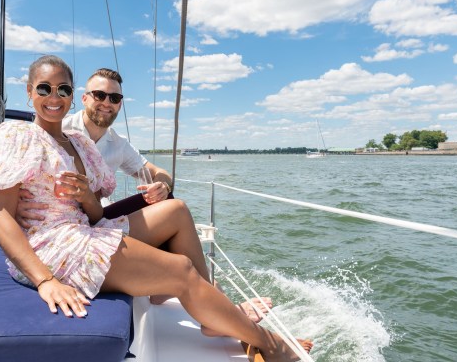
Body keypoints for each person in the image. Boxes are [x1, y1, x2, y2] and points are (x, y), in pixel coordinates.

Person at [0, 55, 312, 361]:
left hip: (83, 229)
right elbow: (0, 220)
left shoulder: (77, 143)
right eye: (44, 88)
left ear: (72, 95)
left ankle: (211, 311)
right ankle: (270, 343)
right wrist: (45, 281)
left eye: (62, 90)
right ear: (30, 91)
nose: (54, 97)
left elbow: (94, 214)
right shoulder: (16, 136)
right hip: (51, 247)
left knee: (175, 210)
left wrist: (89, 195)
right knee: (181, 269)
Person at [16, 67, 272, 322]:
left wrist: (162, 184)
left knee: (169, 201)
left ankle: (212, 304)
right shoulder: (62, 129)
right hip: (65, 225)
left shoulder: (118, 144)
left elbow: (156, 171)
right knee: (170, 210)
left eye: (115, 99)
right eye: (100, 95)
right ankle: (215, 307)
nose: (107, 103)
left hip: (95, 214)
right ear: (83, 98)